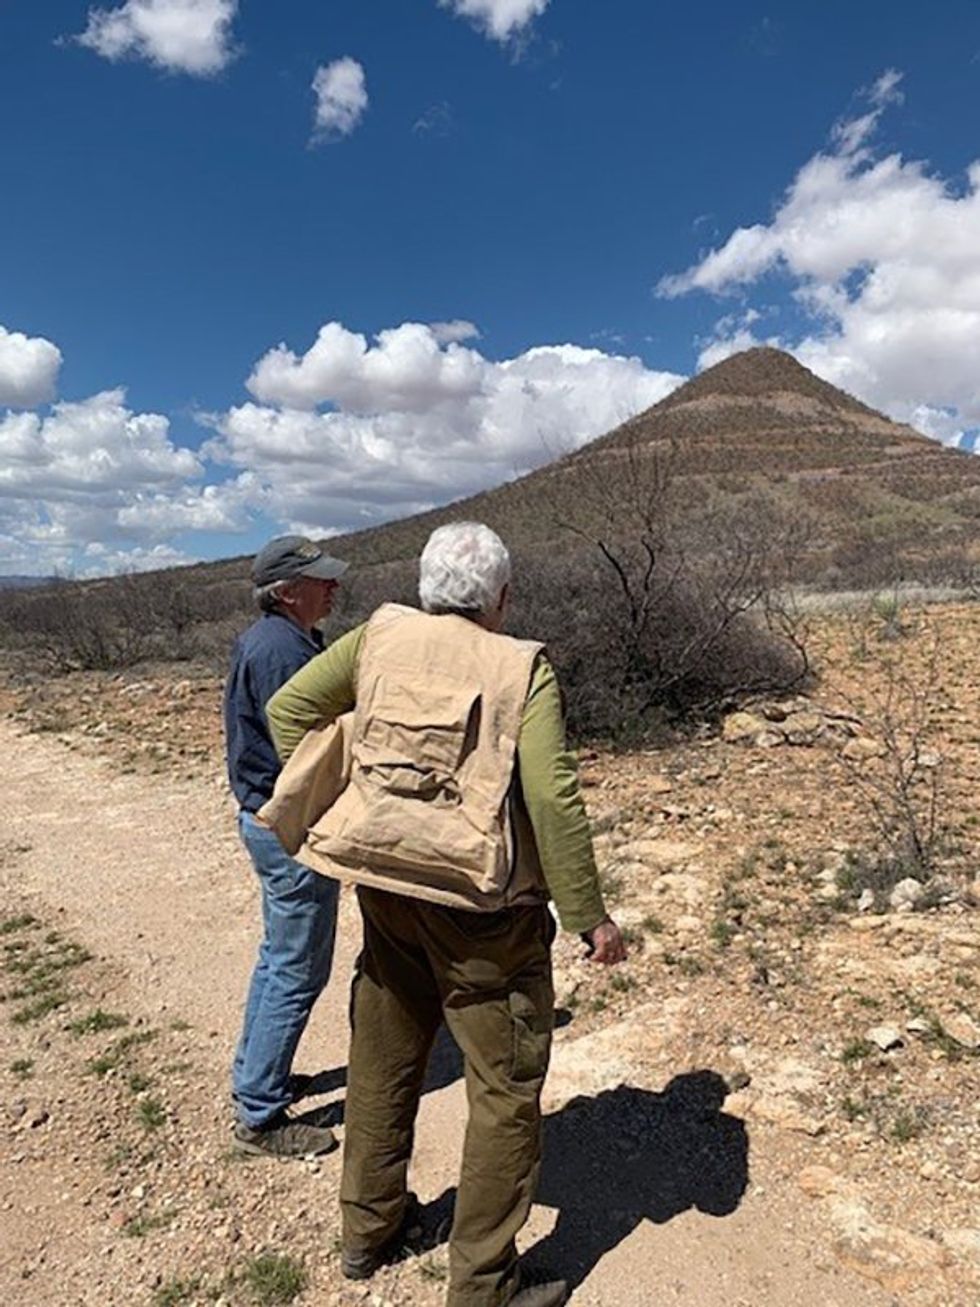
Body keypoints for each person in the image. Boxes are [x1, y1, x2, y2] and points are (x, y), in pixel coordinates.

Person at [264, 521, 626, 1307]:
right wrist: (588, 912)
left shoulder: (377, 636)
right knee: (503, 1087)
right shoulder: (520, 666)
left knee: (384, 1057)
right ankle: (484, 1286)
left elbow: (290, 709)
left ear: (429, 587)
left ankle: (369, 1230)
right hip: (484, 910)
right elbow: (552, 796)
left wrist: (354, 794)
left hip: (388, 886)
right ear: (501, 597)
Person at [223, 534, 348, 1158]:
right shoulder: (281, 651)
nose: (333, 586)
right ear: (286, 591)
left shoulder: (276, 641)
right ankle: (261, 1116)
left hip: (267, 820)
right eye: (321, 579)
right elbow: (303, 749)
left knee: (279, 957)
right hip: (287, 826)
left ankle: (256, 1078)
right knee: (299, 968)